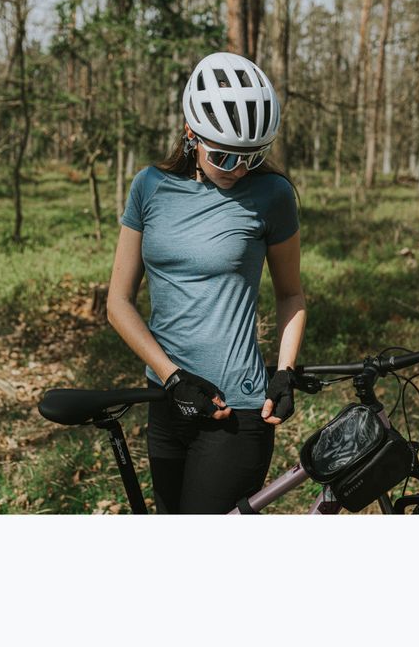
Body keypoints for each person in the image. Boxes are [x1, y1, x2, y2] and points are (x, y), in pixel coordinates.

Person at [107, 51, 306, 514]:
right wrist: (172, 377)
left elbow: (291, 294)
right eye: (223, 155)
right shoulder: (149, 187)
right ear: (191, 133)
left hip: (237, 411)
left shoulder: (272, 195)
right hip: (167, 398)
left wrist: (285, 371)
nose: (239, 169)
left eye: (253, 157)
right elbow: (118, 302)